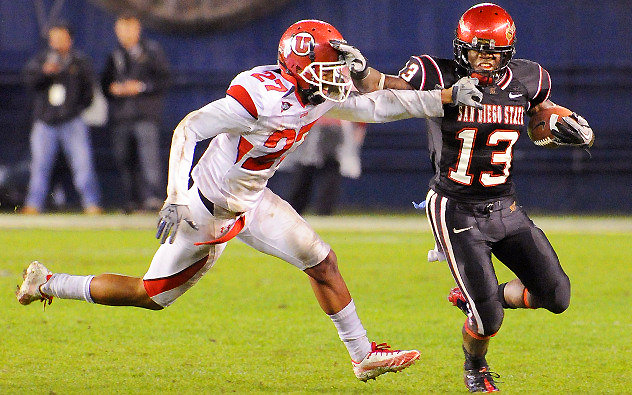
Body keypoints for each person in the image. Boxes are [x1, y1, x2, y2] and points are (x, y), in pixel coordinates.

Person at [16, 20, 483, 381]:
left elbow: (375, 105)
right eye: (328, 67)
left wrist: (442, 99)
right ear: (299, 67)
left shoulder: (314, 93)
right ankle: (49, 282)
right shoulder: (258, 96)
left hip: (253, 202)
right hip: (207, 211)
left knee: (322, 262)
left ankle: (363, 356)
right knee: (150, 296)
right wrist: (175, 196)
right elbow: (189, 127)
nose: (337, 77)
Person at [337, 3, 594, 391]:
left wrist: (565, 128)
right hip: (456, 209)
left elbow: (538, 126)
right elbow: (385, 87)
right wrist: (360, 72)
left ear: (507, 52)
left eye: (491, 51)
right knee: (488, 319)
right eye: (474, 49)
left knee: (557, 295)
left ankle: (474, 298)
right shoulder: (437, 73)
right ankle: (475, 367)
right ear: (460, 46)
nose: (482, 58)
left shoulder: (529, 78)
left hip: (505, 206)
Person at [21, 23, 102, 215]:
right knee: (39, 166)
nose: (56, 42)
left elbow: (89, 92)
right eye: (54, 38)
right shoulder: (41, 59)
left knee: (82, 165)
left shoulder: (79, 61)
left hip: (72, 121)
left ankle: (91, 203)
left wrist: (74, 109)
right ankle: (33, 204)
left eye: (61, 38)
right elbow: (29, 81)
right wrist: (45, 72)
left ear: (69, 39)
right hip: (45, 122)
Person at [101, 14, 170, 212]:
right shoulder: (115, 55)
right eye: (121, 29)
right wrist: (114, 88)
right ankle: (132, 200)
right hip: (121, 116)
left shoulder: (151, 51)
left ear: (137, 29)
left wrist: (140, 87)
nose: (124, 34)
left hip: (145, 115)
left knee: (149, 160)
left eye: (128, 29)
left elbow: (164, 80)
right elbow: (105, 84)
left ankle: (152, 199)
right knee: (124, 159)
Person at [285, 117, 366, 215]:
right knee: (307, 170)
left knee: (327, 170)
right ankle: (296, 211)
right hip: (316, 126)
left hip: (328, 126)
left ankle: (321, 211)